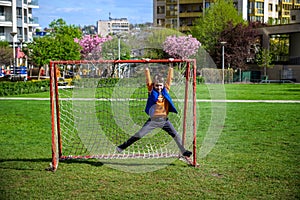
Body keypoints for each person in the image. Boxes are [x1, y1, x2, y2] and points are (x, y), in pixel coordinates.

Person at [116, 67, 192, 157]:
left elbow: (169, 80)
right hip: (153, 120)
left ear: (163, 85)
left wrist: (171, 68)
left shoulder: (165, 91)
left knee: (175, 135)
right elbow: (148, 80)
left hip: (164, 121)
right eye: (157, 85)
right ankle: (121, 147)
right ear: (153, 85)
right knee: (139, 134)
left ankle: (183, 151)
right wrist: (146, 68)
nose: (159, 87)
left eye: (160, 85)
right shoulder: (151, 91)